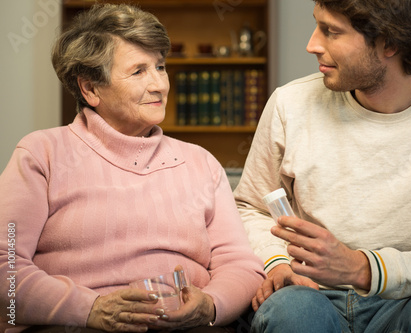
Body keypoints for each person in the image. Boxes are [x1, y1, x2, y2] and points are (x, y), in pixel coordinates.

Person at [233, 0, 411, 332]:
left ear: (389, 43)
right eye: (317, 25)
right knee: (294, 314)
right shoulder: (289, 104)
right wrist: (277, 264)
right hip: (309, 292)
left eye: (331, 31)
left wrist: (360, 268)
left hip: (407, 298)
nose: (312, 44)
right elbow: (252, 207)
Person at [0, 4, 265, 333]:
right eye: (139, 71)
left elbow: (241, 264)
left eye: (161, 67)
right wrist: (89, 308)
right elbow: (5, 266)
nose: (159, 85)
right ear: (90, 89)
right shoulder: (42, 154)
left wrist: (210, 304)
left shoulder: (201, 162)